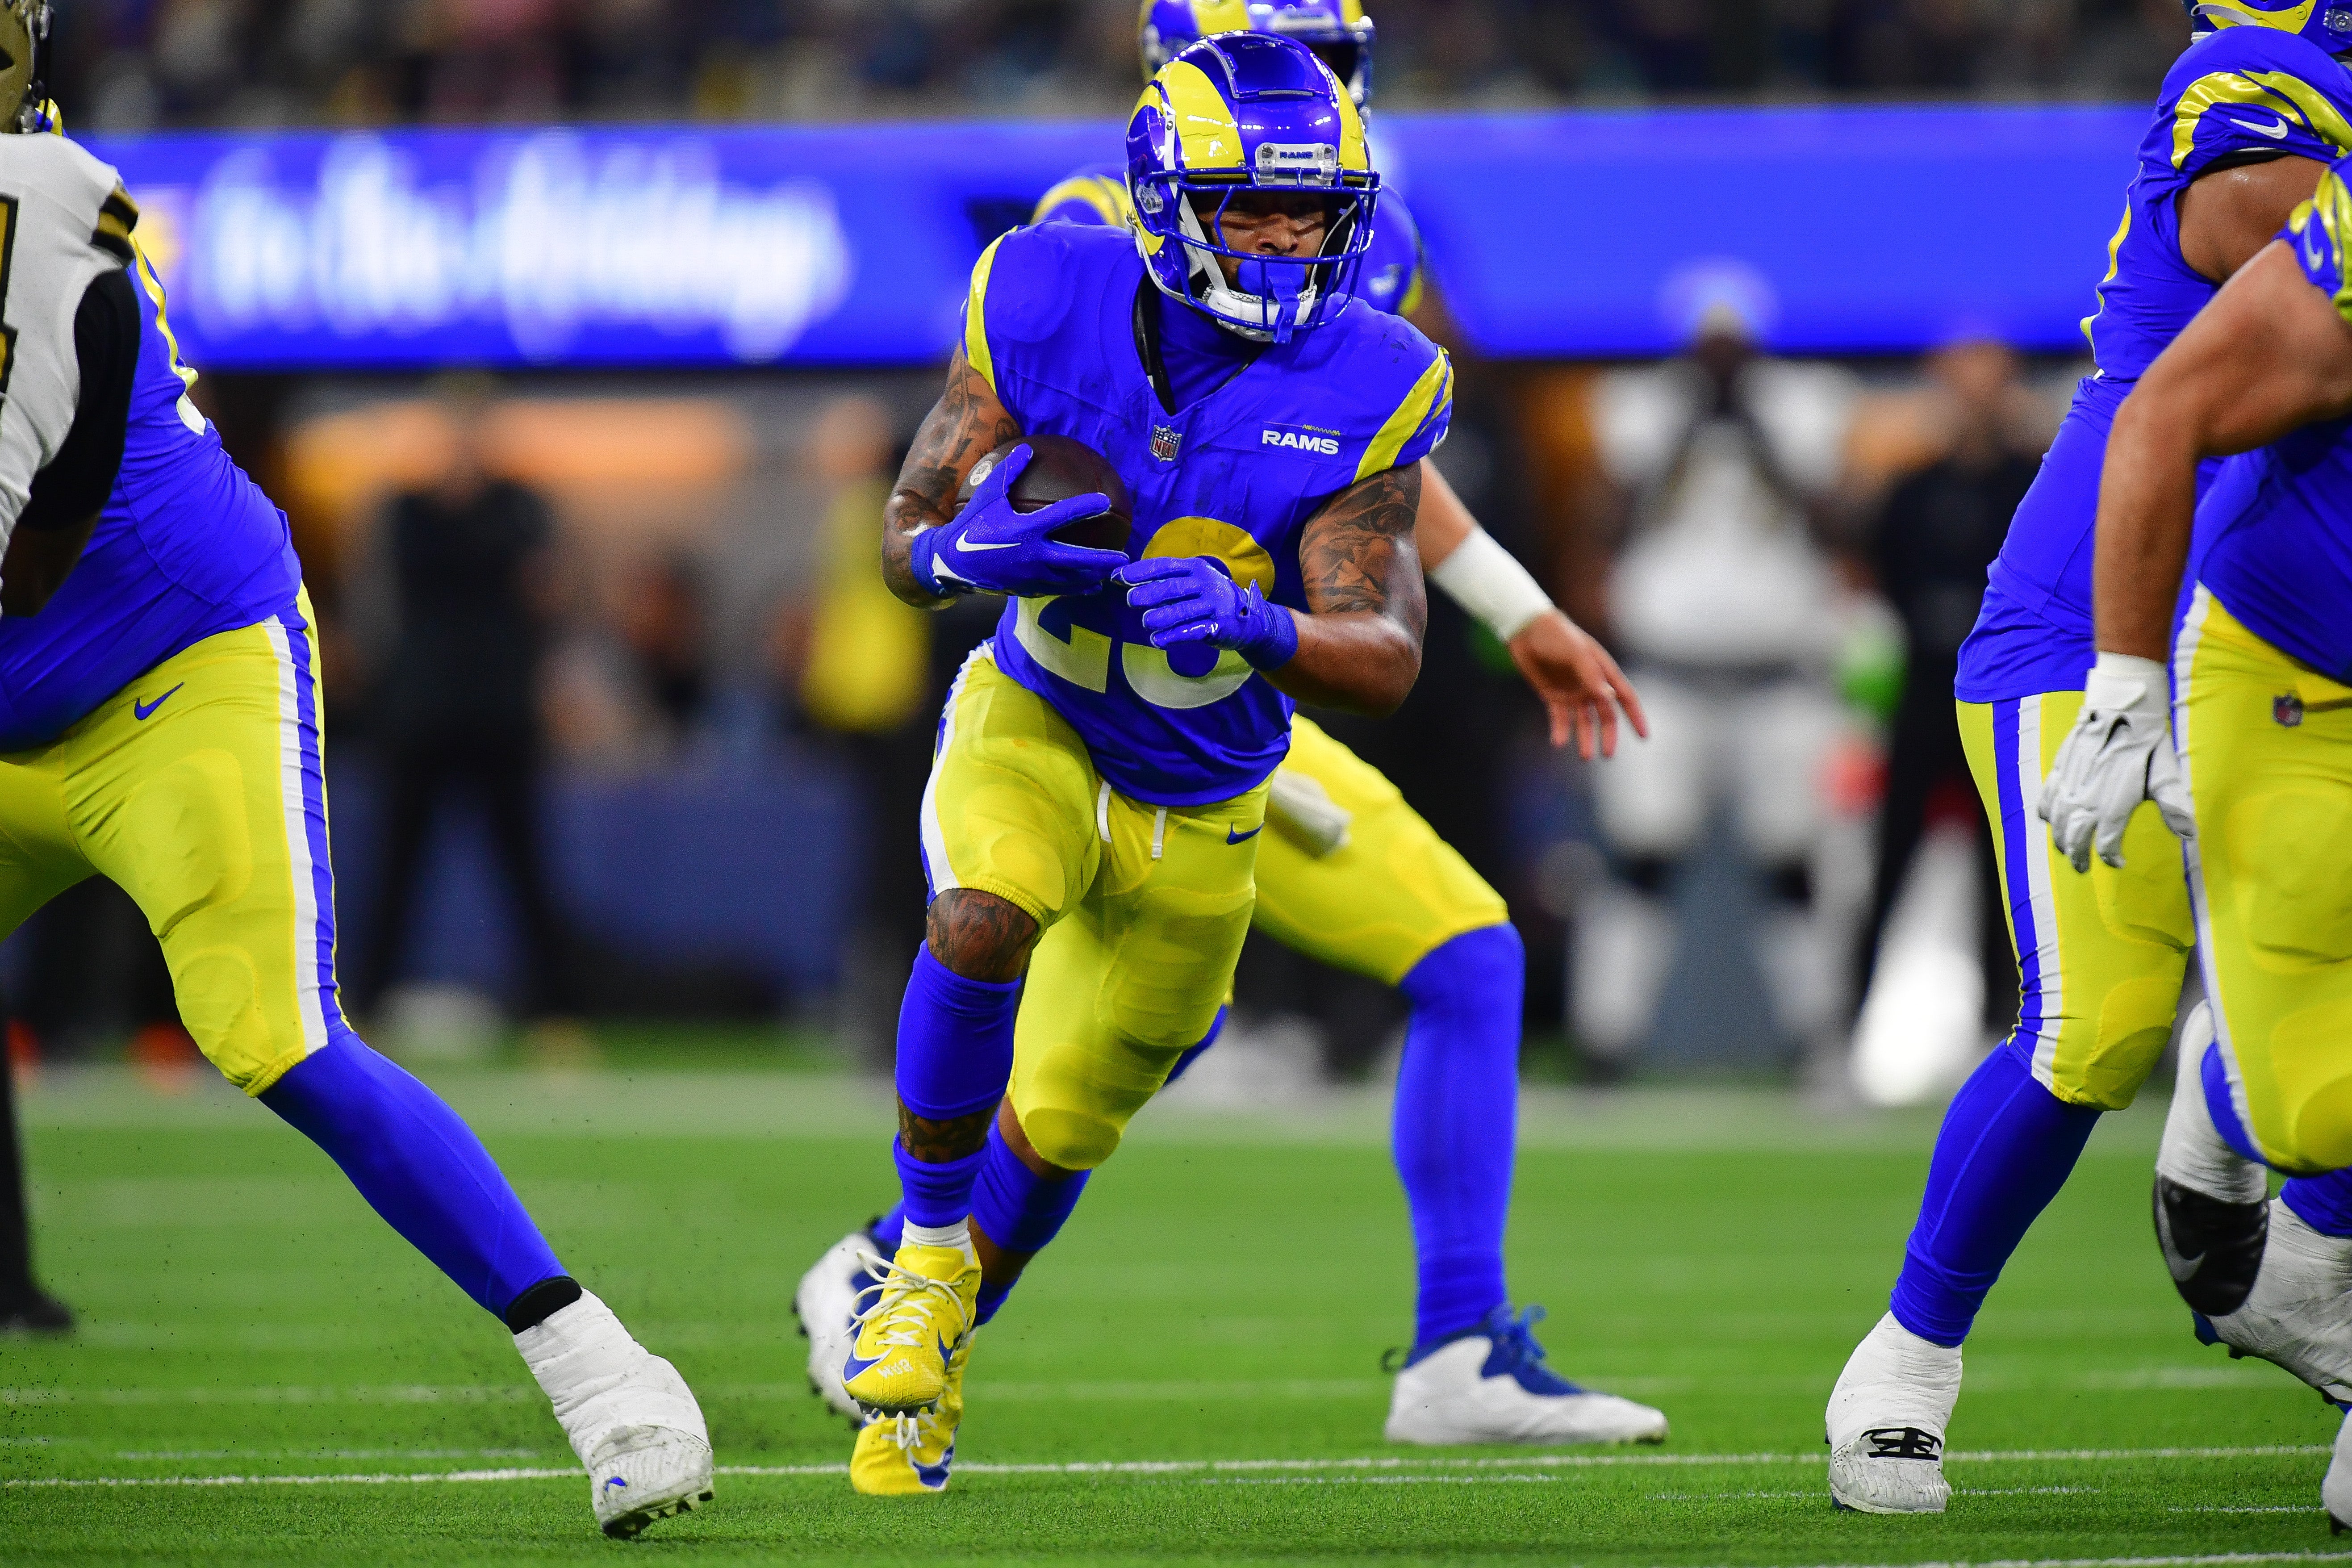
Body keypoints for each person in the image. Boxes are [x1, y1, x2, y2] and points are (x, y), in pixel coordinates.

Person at [797, 1, 1662, 1493]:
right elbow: (956, 496)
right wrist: (969, 552)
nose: (1312, 104)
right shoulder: (1076, 259)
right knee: (996, 928)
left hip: (1230, 717)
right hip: (1076, 680)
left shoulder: (1354, 281)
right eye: (1282, 63)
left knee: (1443, 958)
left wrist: (1500, 606)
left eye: (1330, 69)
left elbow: (1357, 472)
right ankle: (905, 1269)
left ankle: (1451, 1346)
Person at [0, 6, 709, 1536]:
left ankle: (607, 1373)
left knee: (273, 1033)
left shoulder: (47, 223)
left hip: (162, 668)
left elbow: (33, 544)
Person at [1824, 0, 2352, 1514]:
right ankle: (1908, 1356)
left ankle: (2290, 1236)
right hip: (2102, 619)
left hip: (2290, 633)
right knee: (2097, 1026)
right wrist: (2122, 681)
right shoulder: (2250, 86)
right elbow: (2250, 217)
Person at [2040, 137, 2352, 1528]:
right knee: (2320, 1112)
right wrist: (2123, 682)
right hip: (2302, 681)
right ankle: (2228, 1072)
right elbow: (2163, 413)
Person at [1576, 298, 1858, 1079]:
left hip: (1780, 678)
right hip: (1666, 672)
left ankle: (1816, 1043)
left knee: (1795, 864)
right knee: (1642, 855)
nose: (1723, 365)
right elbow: (1606, 519)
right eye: (1710, 348)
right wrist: (1677, 440)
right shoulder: (1642, 412)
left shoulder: (1803, 410)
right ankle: (1608, 1044)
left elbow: (1840, 523)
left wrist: (1766, 443)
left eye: (1735, 348)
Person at [355, 381, 574, 1024]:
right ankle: (365, 1001)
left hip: (498, 712)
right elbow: (388, 598)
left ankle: (554, 1009)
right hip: (423, 712)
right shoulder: (408, 510)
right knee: (397, 869)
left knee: (524, 869)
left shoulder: (520, 506)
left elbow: (547, 593)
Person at [1851, 339, 2038, 1034]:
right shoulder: (1911, 490)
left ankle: (2009, 1027)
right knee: (1890, 859)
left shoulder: (2034, 486)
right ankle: (1847, 1028)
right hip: (1925, 687)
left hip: (2007, 691)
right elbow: (1873, 578)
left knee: (2008, 868)